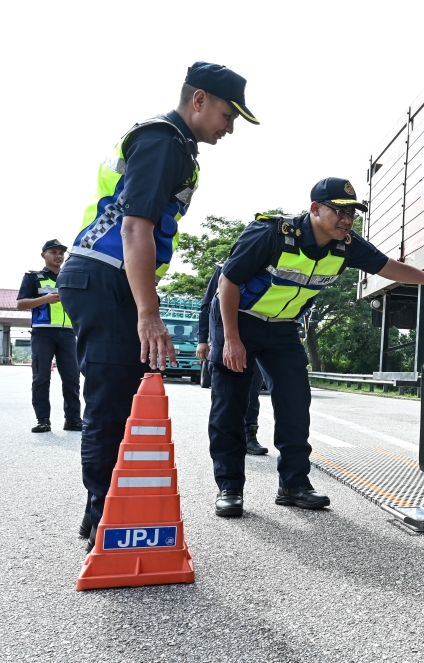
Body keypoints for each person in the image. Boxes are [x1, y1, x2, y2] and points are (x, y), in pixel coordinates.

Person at [58, 62, 259, 549]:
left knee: (120, 398)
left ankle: (99, 518)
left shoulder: (175, 144)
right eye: (227, 113)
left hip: (110, 280)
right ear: (199, 100)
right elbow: (134, 228)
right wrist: (150, 314)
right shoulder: (163, 141)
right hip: (103, 278)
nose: (230, 126)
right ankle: (102, 521)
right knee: (109, 403)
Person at [209, 177, 424, 517]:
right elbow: (228, 280)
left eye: (352, 214)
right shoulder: (272, 234)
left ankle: (294, 485)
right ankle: (230, 488)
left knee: (295, 406)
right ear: (315, 209)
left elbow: (389, 267)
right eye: (339, 212)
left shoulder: (347, 246)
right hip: (240, 319)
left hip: (283, 330)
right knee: (231, 406)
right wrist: (232, 338)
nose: (346, 220)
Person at [197, 266, 269, 455]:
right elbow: (207, 306)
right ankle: (226, 442)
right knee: (226, 395)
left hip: (254, 339)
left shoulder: (268, 266)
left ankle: (249, 435)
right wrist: (202, 340)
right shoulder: (225, 267)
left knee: (252, 391)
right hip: (225, 339)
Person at [16, 239, 82, 433]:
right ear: (43, 255)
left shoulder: (70, 277)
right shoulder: (33, 277)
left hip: (68, 334)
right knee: (41, 377)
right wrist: (44, 299)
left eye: (61, 252)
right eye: (53, 252)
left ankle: (73, 419)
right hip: (43, 333)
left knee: (72, 378)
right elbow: (20, 304)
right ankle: (43, 419)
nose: (58, 255)